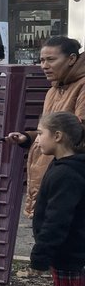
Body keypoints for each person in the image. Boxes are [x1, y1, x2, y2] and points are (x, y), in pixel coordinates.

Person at [25, 111, 85, 286]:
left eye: (41, 134)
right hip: (65, 251)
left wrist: (41, 253)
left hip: (68, 253)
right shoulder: (61, 166)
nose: (37, 140)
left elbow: (58, 218)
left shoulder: (69, 174)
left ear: (58, 137)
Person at [5, 36, 85, 218]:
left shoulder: (82, 86)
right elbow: (51, 131)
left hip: (69, 179)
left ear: (72, 59)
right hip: (48, 173)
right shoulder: (53, 90)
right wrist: (28, 137)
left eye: (51, 59)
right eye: (42, 60)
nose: (44, 66)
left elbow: (78, 132)